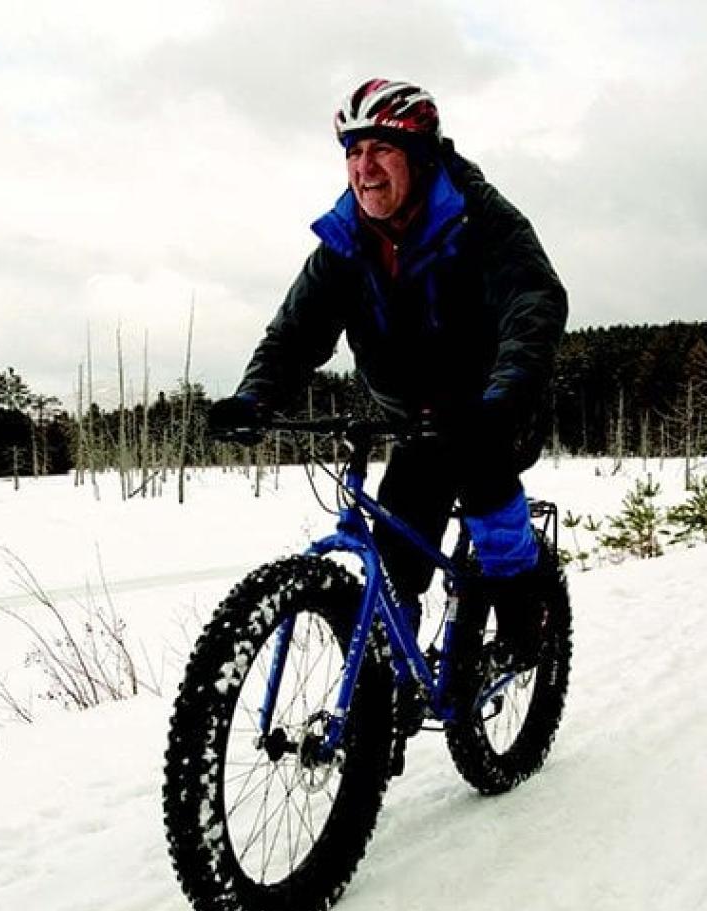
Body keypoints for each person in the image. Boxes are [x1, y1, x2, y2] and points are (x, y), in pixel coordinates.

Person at [208, 78, 568, 638]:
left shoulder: (481, 219)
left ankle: (524, 609)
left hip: (492, 407)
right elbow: (295, 334)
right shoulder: (345, 244)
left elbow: (533, 302)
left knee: (485, 488)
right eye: (353, 152)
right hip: (414, 421)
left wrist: (505, 396)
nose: (364, 167)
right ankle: (387, 685)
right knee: (398, 553)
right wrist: (255, 397)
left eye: (381, 149)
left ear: (421, 159)